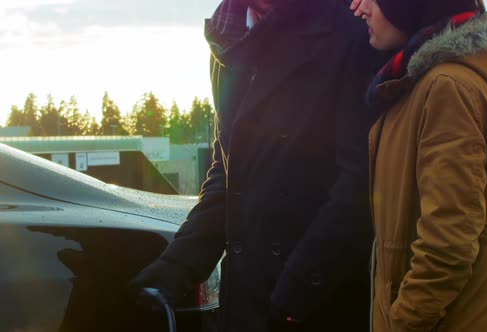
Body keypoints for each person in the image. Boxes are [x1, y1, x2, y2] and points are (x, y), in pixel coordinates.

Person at [132, 0, 380, 331]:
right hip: (247, 301)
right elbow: (229, 176)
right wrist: (172, 271)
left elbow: (359, 184)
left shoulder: (348, 29)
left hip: (314, 304)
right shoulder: (227, 39)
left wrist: (295, 292)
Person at [349, 0, 487, 331]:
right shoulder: (416, 85)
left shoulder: (446, 88)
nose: (360, 9)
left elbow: (448, 243)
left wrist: (403, 321)